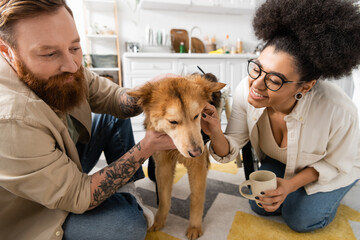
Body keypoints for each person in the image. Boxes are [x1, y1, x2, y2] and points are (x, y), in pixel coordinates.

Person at [0, 0, 176, 239]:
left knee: (114, 118)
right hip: (35, 209)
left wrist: (153, 90)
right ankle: (124, 200)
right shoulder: (10, 119)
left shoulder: (68, 68)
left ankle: (127, 190)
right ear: (7, 52)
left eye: (75, 47)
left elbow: (113, 97)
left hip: (65, 164)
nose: (72, 66)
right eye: (50, 53)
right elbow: (78, 195)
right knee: (126, 227)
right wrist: (146, 148)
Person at [201, 0, 360, 233]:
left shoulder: (337, 110)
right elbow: (231, 145)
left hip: (334, 166)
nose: (256, 84)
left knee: (300, 219)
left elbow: (335, 163)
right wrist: (215, 130)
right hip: (283, 161)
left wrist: (290, 185)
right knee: (261, 206)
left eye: (274, 80)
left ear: (305, 87)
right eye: (256, 69)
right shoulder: (247, 91)